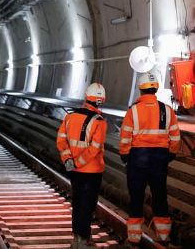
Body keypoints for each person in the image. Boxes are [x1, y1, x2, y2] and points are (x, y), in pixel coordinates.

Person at [119, 72, 181, 245]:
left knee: (136, 198)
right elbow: (175, 137)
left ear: (140, 89)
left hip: (137, 158)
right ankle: (163, 237)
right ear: (156, 88)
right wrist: (170, 154)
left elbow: (125, 137)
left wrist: (125, 155)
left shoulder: (133, 110)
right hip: (159, 159)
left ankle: (134, 238)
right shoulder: (167, 110)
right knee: (160, 197)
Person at [56, 83, 107, 249]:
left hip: (74, 170)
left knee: (77, 202)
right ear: (101, 101)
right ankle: (83, 240)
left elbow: (61, 140)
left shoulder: (70, 117)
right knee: (88, 205)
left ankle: (76, 239)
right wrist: (79, 162)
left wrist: (68, 160)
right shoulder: (99, 122)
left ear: (86, 97)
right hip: (92, 171)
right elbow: (94, 149)